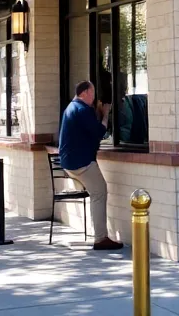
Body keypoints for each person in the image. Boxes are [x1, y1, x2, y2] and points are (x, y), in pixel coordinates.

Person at [58, 80, 122, 250]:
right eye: (92, 93)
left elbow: (88, 132)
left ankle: (100, 235)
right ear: (85, 92)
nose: (94, 98)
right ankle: (101, 238)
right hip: (81, 162)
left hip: (69, 162)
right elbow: (100, 132)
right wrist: (106, 113)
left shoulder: (71, 108)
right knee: (99, 192)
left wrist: (97, 115)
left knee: (96, 192)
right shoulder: (81, 109)